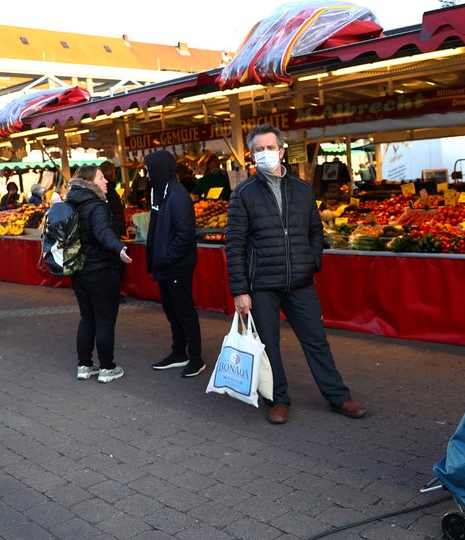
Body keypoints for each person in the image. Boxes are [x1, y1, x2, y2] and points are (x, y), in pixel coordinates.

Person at [226, 123, 366, 424]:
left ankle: (339, 397)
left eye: (270, 148)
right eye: (259, 150)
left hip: (300, 282)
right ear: (252, 156)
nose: (266, 154)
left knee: (316, 341)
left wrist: (312, 260)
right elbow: (234, 245)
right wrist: (240, 290)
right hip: (262, 284)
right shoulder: (243, 194)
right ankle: (278, 399)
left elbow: (316, 230)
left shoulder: (302, 190)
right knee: (268, 345)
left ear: (282, 150)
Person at [65, 165, 133, 383]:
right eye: (102, 178)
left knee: (87, 319)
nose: (106, 181)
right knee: (105, 321)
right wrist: (118, 247)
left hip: (79, 270)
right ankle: (107, 368)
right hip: (101, 269)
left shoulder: (71, 203)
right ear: (90, 182)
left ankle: (84, 365)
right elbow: (103, 231)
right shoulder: (96, 205)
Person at [144, 150, 205, 378]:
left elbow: (185, 235)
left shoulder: (178, 196)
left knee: (184, 311)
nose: (148, 175)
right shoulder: (160, 193)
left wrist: (166, 256)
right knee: (172, 311)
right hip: (165, 265)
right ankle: (179, 352)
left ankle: (196, 357)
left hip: (176, 265)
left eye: (150, 170)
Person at [99, 161, 127, 238]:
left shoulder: (102, 188)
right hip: (113, 229)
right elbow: (112, 209)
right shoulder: (108, 189)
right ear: (111, 172)